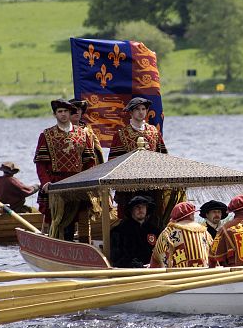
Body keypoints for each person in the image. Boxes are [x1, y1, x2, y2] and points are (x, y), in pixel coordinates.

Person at [33, 98, 97, 240]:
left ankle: (78, 245)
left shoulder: (82, 134)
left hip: (77, 184)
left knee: (78, 219)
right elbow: (40, 163)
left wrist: (87, 181)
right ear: (55, 114)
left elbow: (89, 161)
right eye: (59, 111)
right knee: (56, 220)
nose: (63, 114)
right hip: (55, 184)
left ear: (70, 113)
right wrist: (45, 182)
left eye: (66, 111)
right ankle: (55, 244)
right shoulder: (46, 135)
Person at [150, 201, 212, 268]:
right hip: (204, 273)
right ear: (191, 215)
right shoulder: (204, 232)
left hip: (177, 274)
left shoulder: (167, 232)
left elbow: (157, 257)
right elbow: (213, 255)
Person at [110, 195, 160, 268]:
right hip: (130, 272)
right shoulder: (120, 231)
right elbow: (116, 257)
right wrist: (138, 265)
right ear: (131, 210)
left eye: (143, 206)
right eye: (137, 207)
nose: (140, 209)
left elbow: (161, 252)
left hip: (154, 271)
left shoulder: (154, 230)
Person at [69, 98, 105, 165]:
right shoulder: (62, 131)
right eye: (73, 110)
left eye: (79, 109)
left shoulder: (88, 131)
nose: (77, 112)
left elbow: (98, 151)